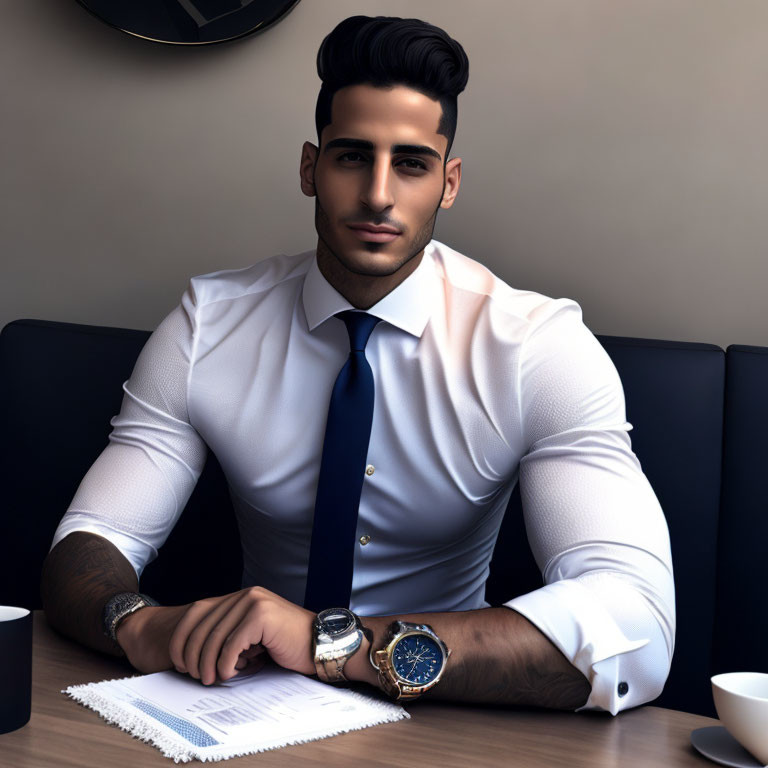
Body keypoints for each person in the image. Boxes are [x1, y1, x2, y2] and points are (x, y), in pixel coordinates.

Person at [41, 15, 674, 715]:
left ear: (449, 181)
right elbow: (92, 540)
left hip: (447, 710)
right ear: (310, 167)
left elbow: (636, 630)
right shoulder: (208, 325)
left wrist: (329, 644)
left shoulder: (534, 347)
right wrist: (141, 625)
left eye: (411, 163)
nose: (378, 194)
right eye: (351, 157)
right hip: (240, 704)